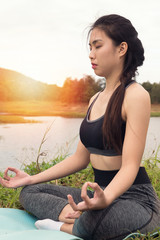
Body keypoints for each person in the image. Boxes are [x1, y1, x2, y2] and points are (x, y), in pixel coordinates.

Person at [0, 14, 160, 240]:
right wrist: (31, 178)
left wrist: (105, 199)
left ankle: (63, 226)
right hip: (98, 195)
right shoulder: (94, 99)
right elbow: (79, 158)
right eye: (90, 47)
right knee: (30, 192)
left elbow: (130, 167)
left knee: (96, 219)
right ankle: (72, 217)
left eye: (98, 46)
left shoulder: (136, 96)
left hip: (135, 199)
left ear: (121, 48)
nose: (91, 54)